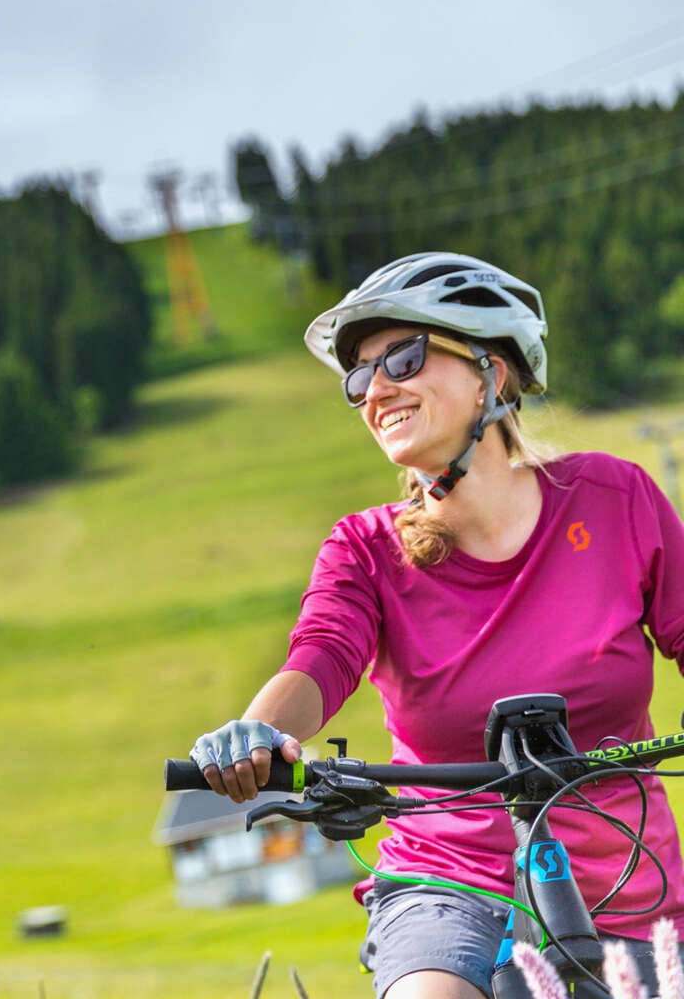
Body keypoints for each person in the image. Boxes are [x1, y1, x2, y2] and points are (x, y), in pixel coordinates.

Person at [189, 252, 684, 998]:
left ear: (493, 372)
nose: (376, 389)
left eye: (404, 358)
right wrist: (257, 732)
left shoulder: (614, 499)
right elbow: (322, 655)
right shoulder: (364, 549)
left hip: (627, 880)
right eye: (359, 375)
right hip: (448, 884)